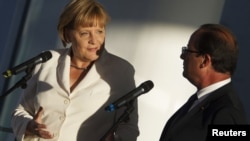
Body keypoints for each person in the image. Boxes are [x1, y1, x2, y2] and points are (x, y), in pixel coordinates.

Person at [11, 0, 139, 140]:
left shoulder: (121, 71)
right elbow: (21, 111)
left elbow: (129, 127)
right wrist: (29, 126)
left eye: (99, 31)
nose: (94, 40)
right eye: (85, 33)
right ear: (67, 34)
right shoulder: (47, 61)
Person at [159, 24, 248, 141]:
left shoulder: (227, 112)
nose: (182, 56)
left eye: (187, 50)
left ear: (205, 60)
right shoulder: (200, 99)